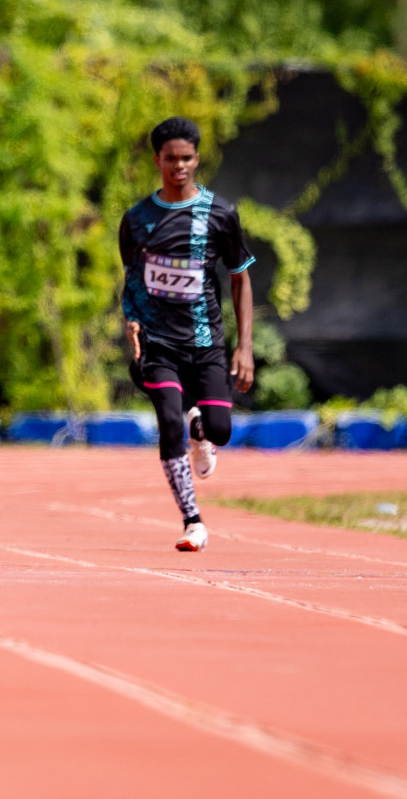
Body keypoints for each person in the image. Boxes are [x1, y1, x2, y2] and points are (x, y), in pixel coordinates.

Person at [119, 117, 255, 552]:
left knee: (219, 429)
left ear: (197, 159)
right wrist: (132, 321)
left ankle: (203, 432)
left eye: (188, 158)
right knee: (168, 419)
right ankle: (193, 521)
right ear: (157, 159)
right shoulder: (138, 220)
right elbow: (133, 279)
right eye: (172, 158)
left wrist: (245, 347)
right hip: (158, 344)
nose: (180, 166)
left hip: (205, 342)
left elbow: (239, 278)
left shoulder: (220, 214)